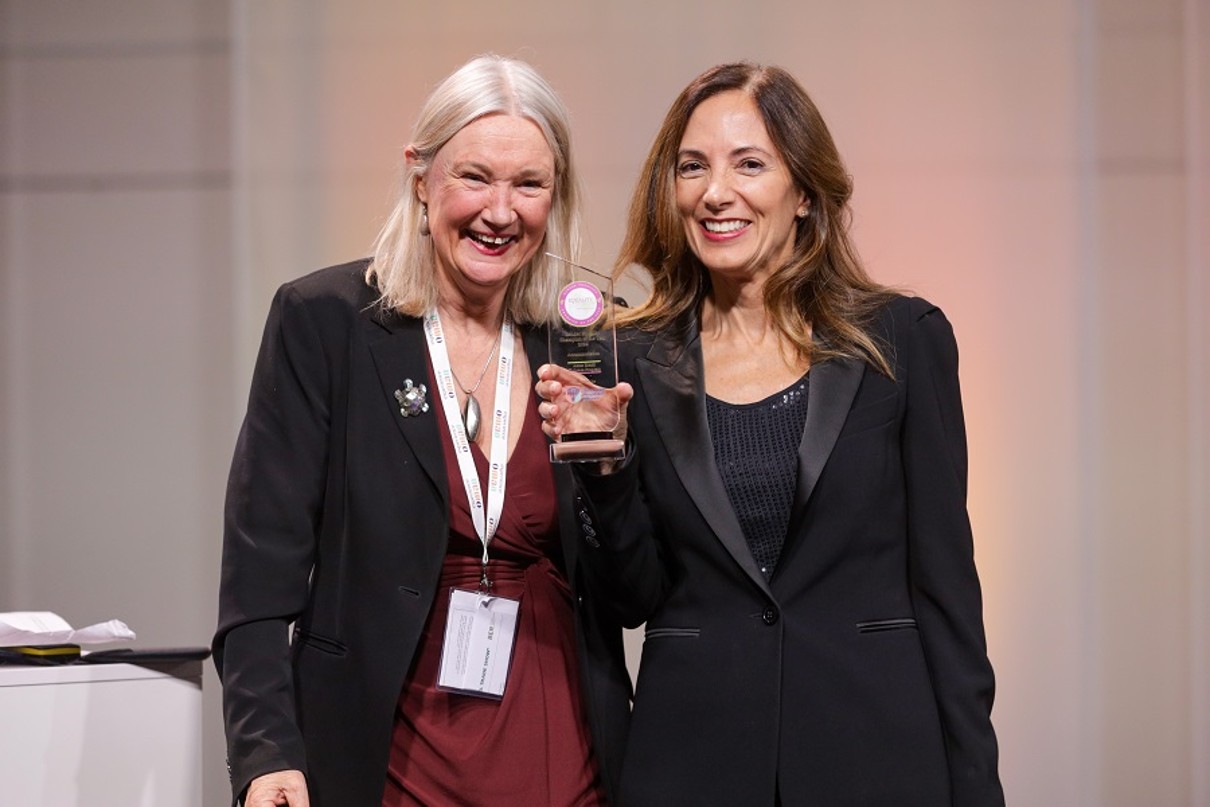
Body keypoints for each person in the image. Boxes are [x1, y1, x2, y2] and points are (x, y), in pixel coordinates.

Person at [538, 62, 1005, 805]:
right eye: (692, 167)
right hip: (692, 760)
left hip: (876, 757)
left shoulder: (903, 340)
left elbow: (947, 593)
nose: (715, 192)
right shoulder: (632, 363)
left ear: (806, 195)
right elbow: (633, 598)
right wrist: (605, 470)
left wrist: (978, 786)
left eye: (749, 164)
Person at [213, 54, 632, 807]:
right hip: (386, 747)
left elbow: (632, 590)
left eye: (529, 184)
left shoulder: (582, 340)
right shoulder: (326, 322)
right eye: (474, 176)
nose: (500, 212)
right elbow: (258, 572)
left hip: (558, 742)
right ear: (420, 175)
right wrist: (264, 749)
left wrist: (612, 476)